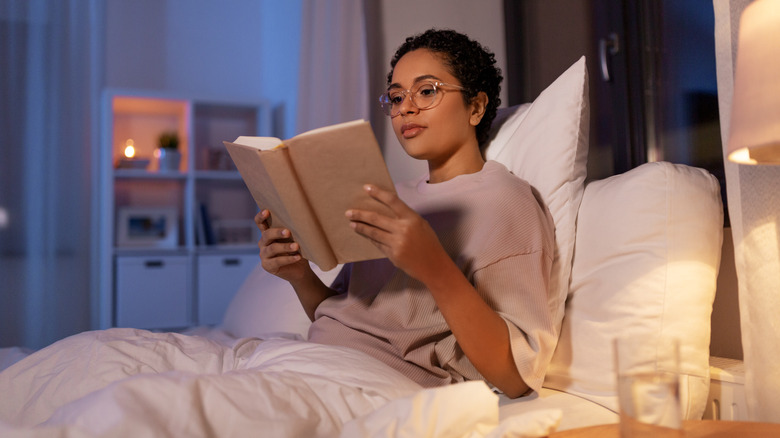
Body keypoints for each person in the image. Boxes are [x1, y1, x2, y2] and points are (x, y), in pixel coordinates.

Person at [254, 29, 556, 399]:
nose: (405, 109)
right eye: (396, 97)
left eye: (427, 91)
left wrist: (432, 264)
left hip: (370, 384)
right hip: (308, 360)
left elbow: (516, 376)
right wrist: (299, 275)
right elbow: (341, 314)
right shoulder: (390, 196)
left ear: (475, 107)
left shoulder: (505, 201)